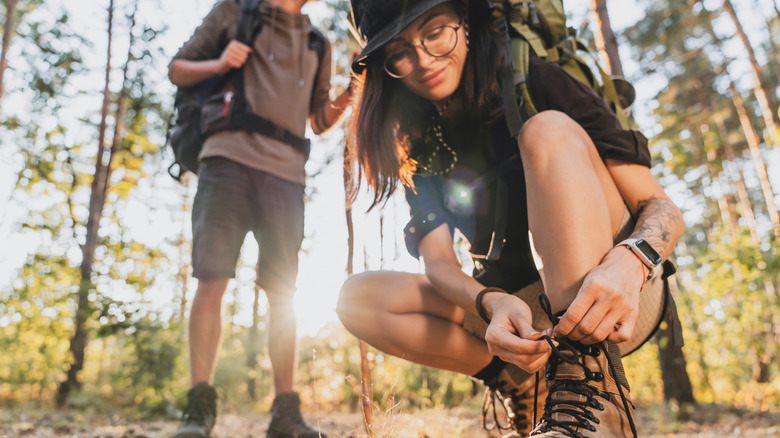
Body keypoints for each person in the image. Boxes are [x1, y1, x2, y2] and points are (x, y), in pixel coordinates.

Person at [336, 0, 684, 436]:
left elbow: (661, 206)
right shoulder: (418, 141)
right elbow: (440, 265)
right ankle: (525, 386)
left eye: (435, 32)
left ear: (464, 22)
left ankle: (598, 395)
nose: (424, 60)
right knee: (358, 298)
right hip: (514, 312)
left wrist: (631, 261)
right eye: (401, 52)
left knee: (546, 130)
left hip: (614, 292)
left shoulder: (532, 76)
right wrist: (493, 302)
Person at [168, 0, 352, 437]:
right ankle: (199, 408)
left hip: (287, 178)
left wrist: (348, 96)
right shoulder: (234, 11)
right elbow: (178, 69)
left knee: (283, 292)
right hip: (225, 162)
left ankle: (285, 415)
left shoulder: (316, 41)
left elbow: (318, 118)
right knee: (211, 279)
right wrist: (219, 62)